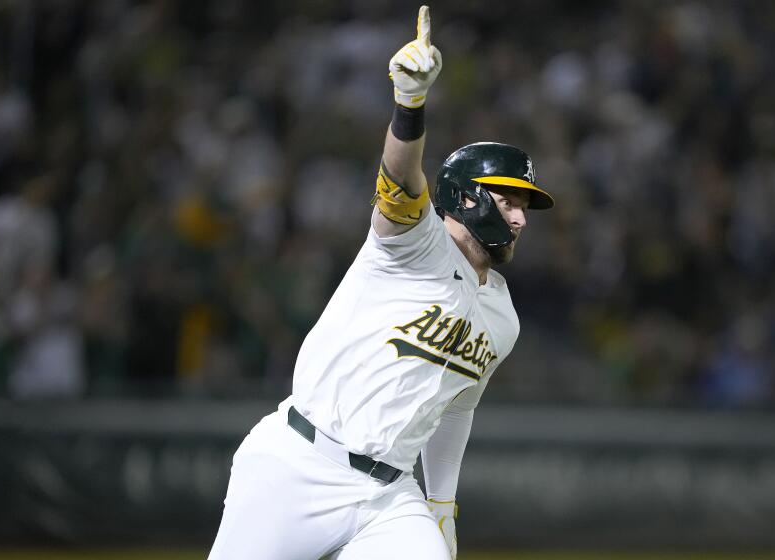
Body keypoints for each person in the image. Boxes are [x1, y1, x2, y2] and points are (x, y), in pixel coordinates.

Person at [208, 6, 554, 559]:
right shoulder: (414, 246)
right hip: (298, 465)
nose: (520, 219)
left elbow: (457, 407)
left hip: (390, 496)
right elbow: (398, 178)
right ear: (465, 196)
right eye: (508, 200)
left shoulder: (503, 317)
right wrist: (409, 105)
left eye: (525, 206)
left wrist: (441, 505)